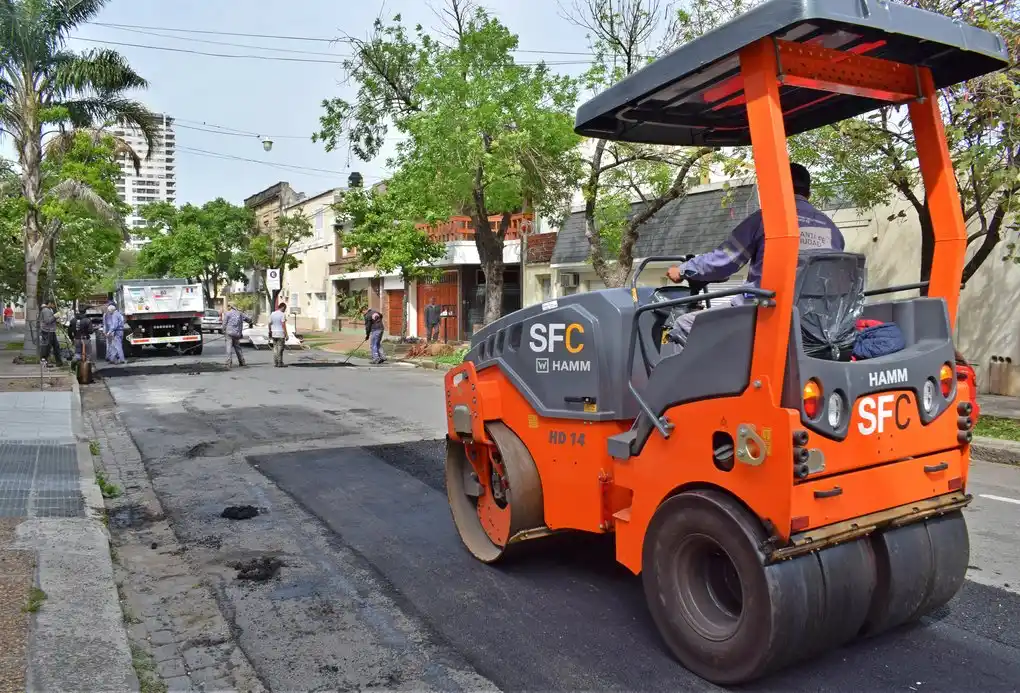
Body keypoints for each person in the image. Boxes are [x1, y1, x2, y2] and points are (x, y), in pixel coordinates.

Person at [664, 162, 845, 350]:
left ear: (777, 188)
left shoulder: (767, 219)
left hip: (762, 314)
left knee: (684, 325)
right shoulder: (832, 230)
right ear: (809, 193)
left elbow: (724, 261)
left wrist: (684, 270)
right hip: (813, 323)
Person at [222, 302, 253, 368]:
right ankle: (242, 361)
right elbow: (248, 319)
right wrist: (250, 321)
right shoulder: (240, 313)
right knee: (237, 347)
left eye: (228, 306)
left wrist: (223, 330)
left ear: (231, 307)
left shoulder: (228, 313)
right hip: (237, 333)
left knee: (228, 347)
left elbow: (224, 323)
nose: (228, 307)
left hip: (229, 333)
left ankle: (228, 362)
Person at [38, 300, 63, 367]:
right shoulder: (46, 310)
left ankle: (59, 361)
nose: (54, 306)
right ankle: (44, 362)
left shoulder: (49, 309)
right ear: (49, 303)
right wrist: (55, 316)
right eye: (53, 304)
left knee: (56, 346)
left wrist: (56, 319)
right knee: (47, 347)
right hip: (47, 331)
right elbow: (47, 321)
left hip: (51, 330)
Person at [269, 302, 288, 367]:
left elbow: (269, 323)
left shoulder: (272, 314)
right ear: (282, 307)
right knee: (280, 349)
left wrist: (270, 331)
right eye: (285, 308)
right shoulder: (282, 314)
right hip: (280, 333)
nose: (285, 310)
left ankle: (275, 362)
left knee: (275, 348)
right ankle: (280, 363)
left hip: (274, 333)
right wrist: (286, 334)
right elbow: (283, 325)